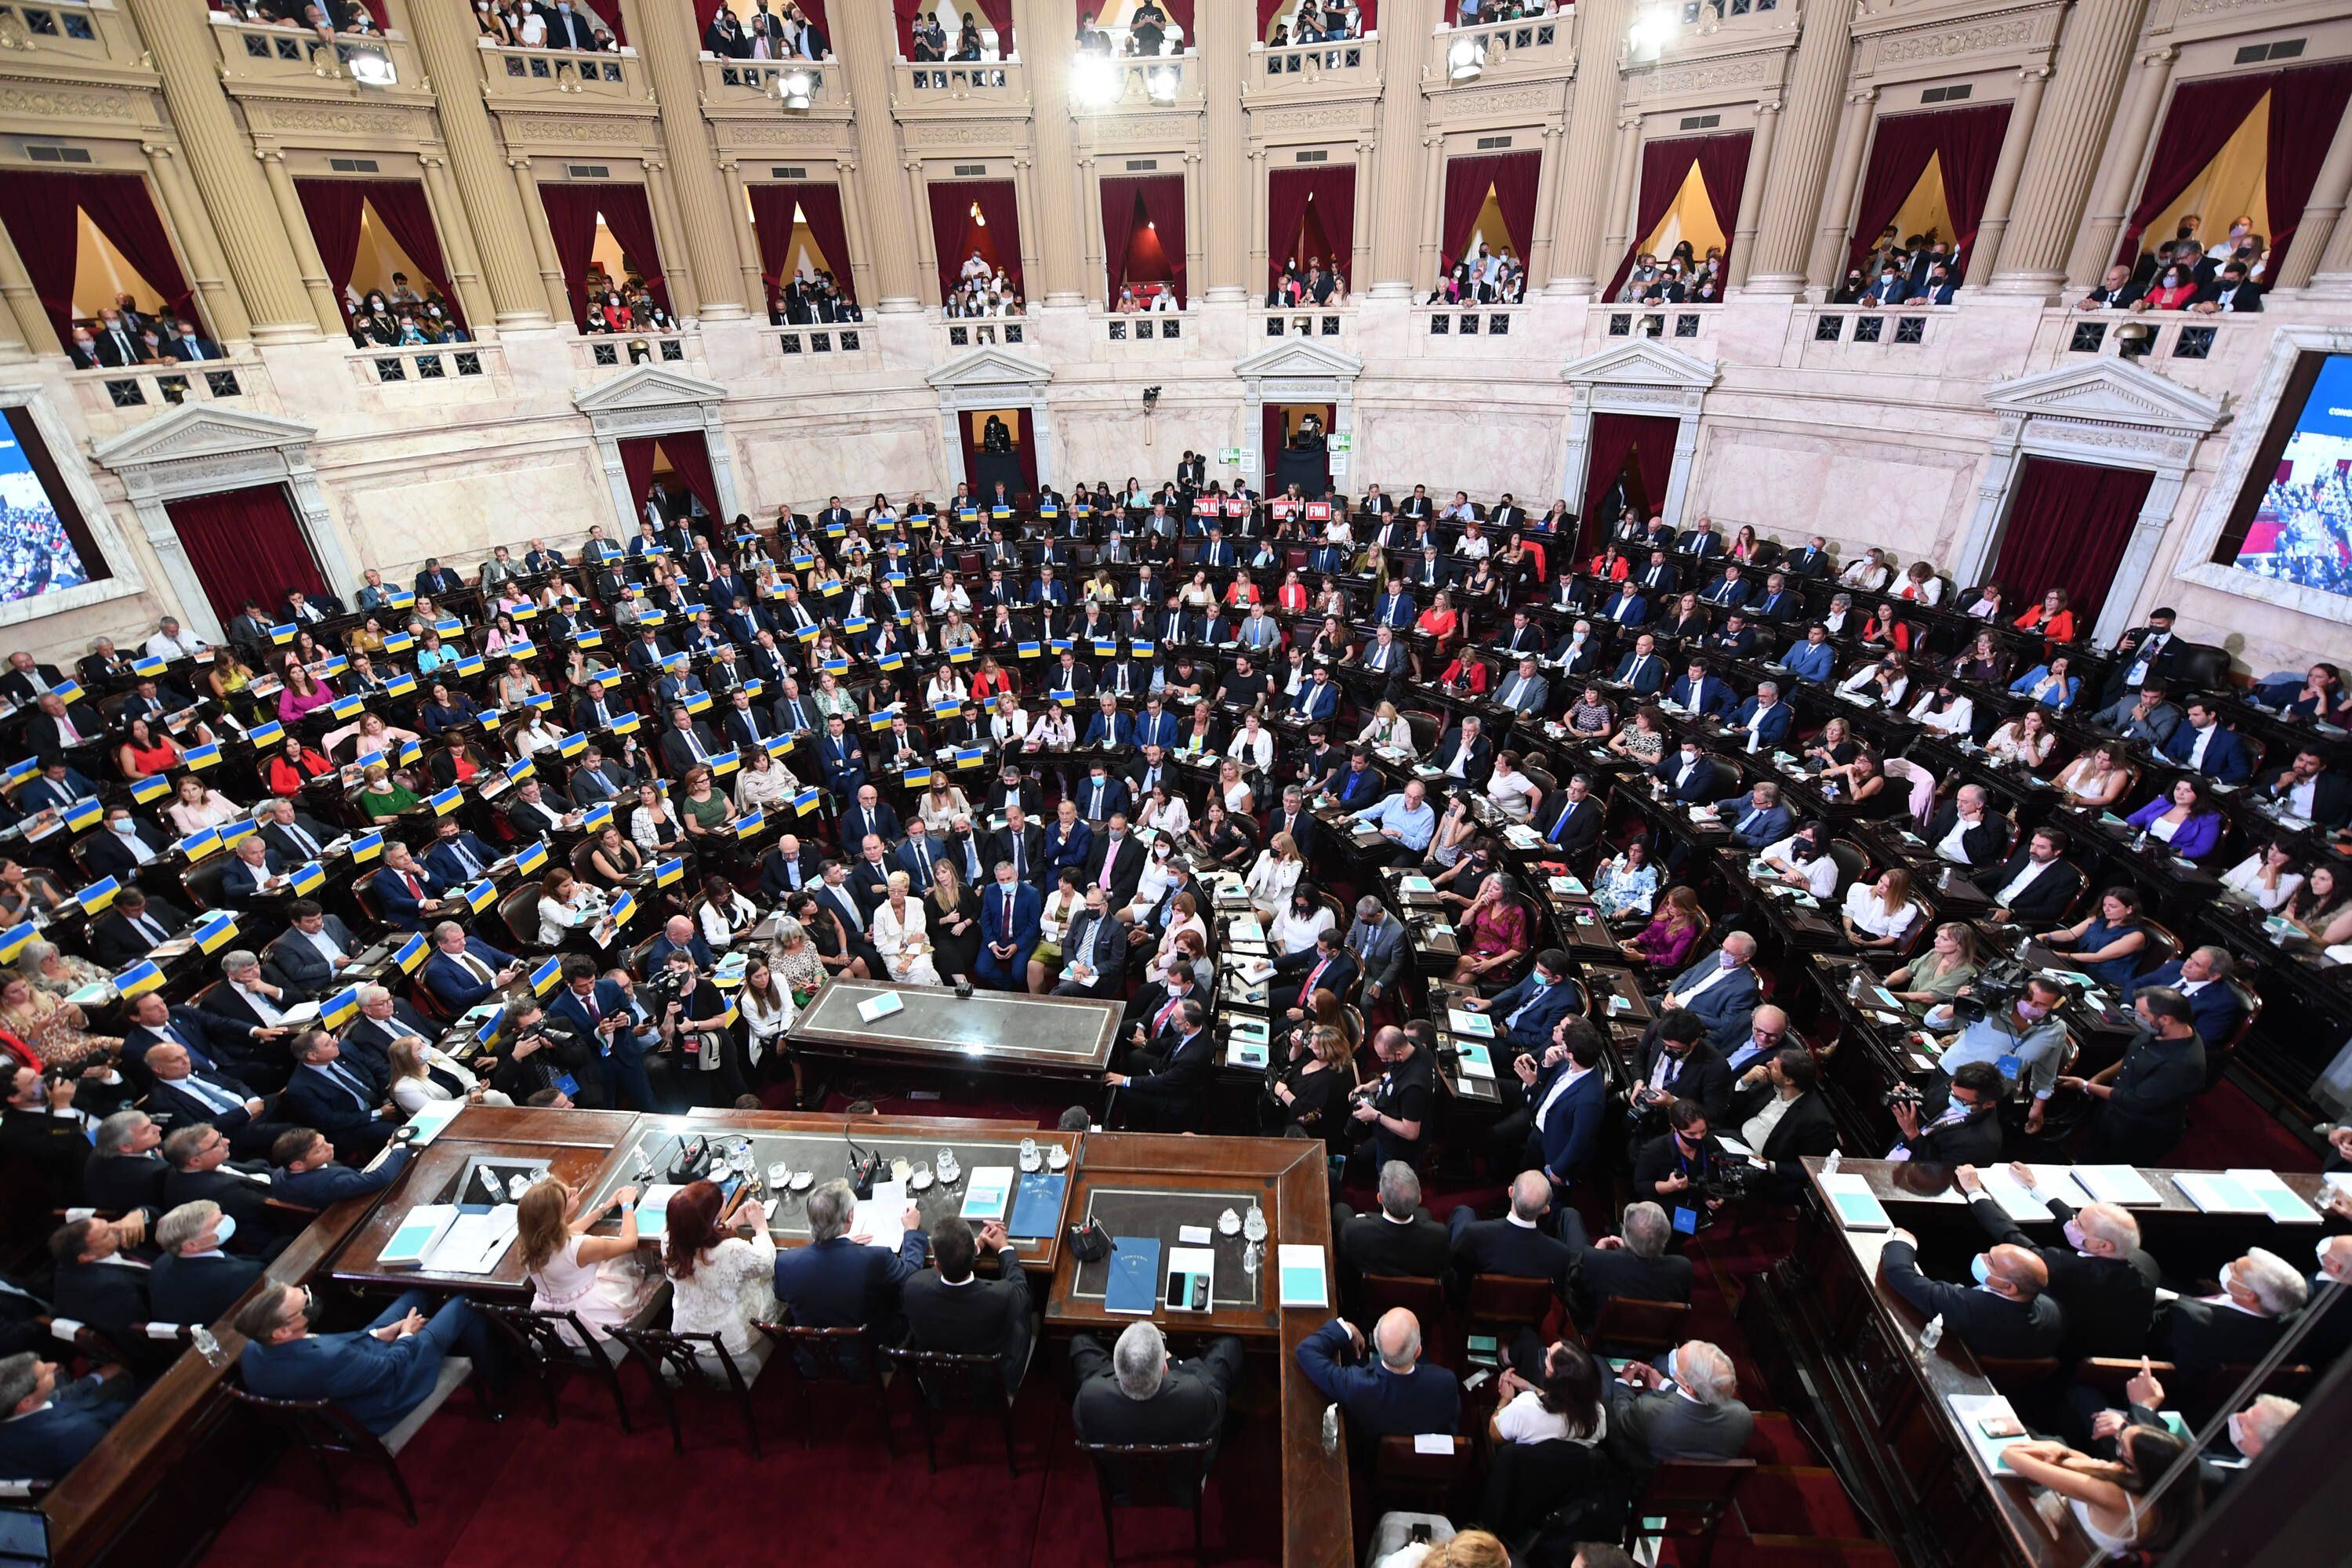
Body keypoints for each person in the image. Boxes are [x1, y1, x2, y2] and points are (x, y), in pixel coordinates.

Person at [233, 1280, 495, 1435]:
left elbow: (341, 1347)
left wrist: (380, 1334)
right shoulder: (329, 1358)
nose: (311, 1301)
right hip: (389, 1393)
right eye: (305, 1305)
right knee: (465, 1302)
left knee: (417, 1294)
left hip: (357, 1370)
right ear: (282, 1331)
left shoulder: (253, 1351)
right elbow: (391, 1369)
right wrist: (405, 1335)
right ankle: (499, 1378)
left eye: (305, 1293)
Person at [1955, 1163, 2158, 1358]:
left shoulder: (2065, 1268)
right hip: (2126, 1353)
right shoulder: (2146, 1263)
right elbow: (2074, 1221)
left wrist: (1975, 1192)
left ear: (2103, 1245)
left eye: (2079, 1225)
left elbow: (2012, 1236)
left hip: (2068, 1354)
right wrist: (2035, 1186)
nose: (2073, 1223)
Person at [1999, 1428, 2198, 1557]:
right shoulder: (2157, 1492)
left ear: (2136, 1468)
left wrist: (2057, 1456)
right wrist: (2061, 1452)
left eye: (2121, 1447)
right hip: (2063, 1525)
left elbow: (2013, 1458)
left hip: (2054, 1549)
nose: (2116, 1444)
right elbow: (2095, 1465)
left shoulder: (2114, 1495)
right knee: (2053, 1439)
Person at [901, 1215, 1034, 1396]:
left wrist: (975, 1247)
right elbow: (1021, 1292)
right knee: (1026, 1320)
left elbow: (929, 1275)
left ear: (937, 1266)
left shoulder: (913, 1287)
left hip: (940, 1383)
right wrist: (1004, 1248)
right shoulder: (1001, 1296)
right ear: (972, 1259)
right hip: (989, 1384)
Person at [517, 1178, 659, 1345]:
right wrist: (627, 1205)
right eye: (569, 1195)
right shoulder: (582, 1247)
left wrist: (605, 1207)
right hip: (586, 1318)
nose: (575, 1189)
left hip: (548, 1318)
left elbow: (570, 1230)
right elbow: (629, 1242)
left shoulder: (531, 1244)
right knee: (640, 1265)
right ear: (557, 1214)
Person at [1069, 1319, 1245, 1452]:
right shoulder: (1195, 1395)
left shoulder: (1089, 1398)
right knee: (1229, 1347)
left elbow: (1084, 1431)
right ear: (1165, 1368)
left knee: (1080, 1342)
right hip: (1181, 1476)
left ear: (1116, 1367)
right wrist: (1176, 1363)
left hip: (1119, 1475)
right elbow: (1217, 1403)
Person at [663, 1178, 778, 1370]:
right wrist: (760, 1227)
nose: (724, 1195)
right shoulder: (731, 1251)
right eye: (718, 1200)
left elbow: (698, 1239)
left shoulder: (669, 1241)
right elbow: (767, 1262)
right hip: (730, 1339)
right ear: (708, 1219)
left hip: (687, 1334)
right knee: (771, 1280)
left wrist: (731, 1224)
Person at [1295, 1309, 1461, 1437]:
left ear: (1376, 1344)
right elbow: (1451, 1424)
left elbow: (1306, 1350)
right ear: (1418, 1352)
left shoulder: (1356, 1385)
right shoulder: (1446, 1382)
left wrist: (1348, 1328)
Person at [1606, 1341, 1752, 1461]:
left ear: (1688, 1387)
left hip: (1647, 1475)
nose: (1673, 1360)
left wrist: (1623, 1383)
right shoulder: (1743, 1416)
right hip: (1697, 1482)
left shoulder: (1649, 1409)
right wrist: (1666, 1385)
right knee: (1660, 1361)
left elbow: (1622, 1418)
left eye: (1677, 1364)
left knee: (1599, 1365)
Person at [0, 1353, 135, 1481]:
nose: (52, 1365)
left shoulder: (14, 1409)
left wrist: (95, 1378)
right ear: (26, 1402)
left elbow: (57, 1397)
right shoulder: (70, 1435)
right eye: (44, 1374)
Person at [149, 1200, 261, 1327]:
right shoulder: (241, 1276)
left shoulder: (162, 1262)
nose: (225, 1220)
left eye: (221, 1215)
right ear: (191, 1245)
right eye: (217, 1223)